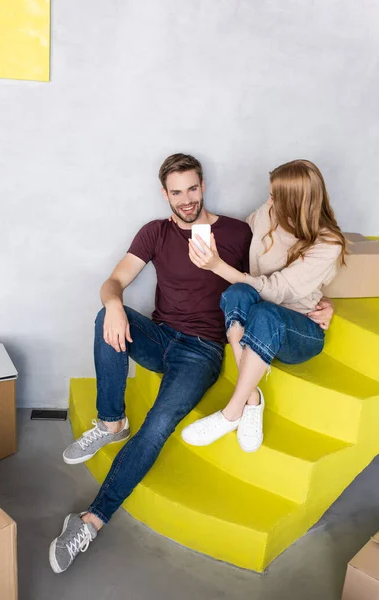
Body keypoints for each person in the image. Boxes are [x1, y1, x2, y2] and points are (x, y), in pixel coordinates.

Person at [49, 154, 334, 573]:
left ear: (204, 187)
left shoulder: (240, 232)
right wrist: (112, 303)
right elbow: (115, 280)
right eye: (177, 192)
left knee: (160, 424)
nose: (186, 200)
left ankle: (91, 521)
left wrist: (319, 303)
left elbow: (279, 275)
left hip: (201, 351)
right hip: (160, 334)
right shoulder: (155, 232)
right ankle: (111, 422)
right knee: (105, 317)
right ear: (164, 194)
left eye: (193, 189)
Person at [180, 159, 346, 453]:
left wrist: (217, 266)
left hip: (300, 329)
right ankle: (252, 399)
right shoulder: (268, 213)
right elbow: (241, 233)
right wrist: (191, 222)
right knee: (236, 294)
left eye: (275, 196)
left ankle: (231, 413)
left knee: (264, 311)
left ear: (294, 203)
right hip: (258, 311)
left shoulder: (328, 243)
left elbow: (275, 291)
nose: (268, 200)